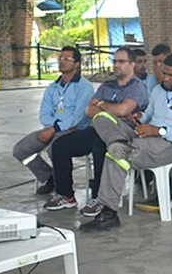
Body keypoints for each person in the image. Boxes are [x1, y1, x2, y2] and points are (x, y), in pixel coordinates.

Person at [81, 54, 172, 233]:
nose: (165, 78)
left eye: (171, 75)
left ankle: (109, 212)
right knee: (101, 117)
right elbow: (150, 113)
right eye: (163, 73)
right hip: (142, 138)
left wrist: (159, 131)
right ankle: (118, 142)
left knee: (117, 155)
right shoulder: (158, 91)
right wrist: (139, 117)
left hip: (169, 146)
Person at [44, 47, 149, 213]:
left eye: (121, 62)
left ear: (132, 65)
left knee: (100, 147)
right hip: (97, 129)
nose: (116, 65)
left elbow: (123, 110)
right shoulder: (107, 85)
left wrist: (102, 106)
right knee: (60, 145)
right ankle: (66, 195)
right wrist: (112, 110)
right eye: (115, 61)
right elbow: (89, 110)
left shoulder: (137, 87)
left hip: (120, 133)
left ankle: (99, 199)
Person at [11, 46, 94, 196]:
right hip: (53, 129)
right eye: (60, 59)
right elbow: (44, 115)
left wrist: (57, 128)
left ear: (77, 64)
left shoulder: (84, 87)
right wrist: (54, 128)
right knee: (21, 149)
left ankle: (64, 189)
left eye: (67, 59)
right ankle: (48, 177)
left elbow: (78, 116)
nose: (62, 62)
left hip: (76, 131)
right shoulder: (52, 87)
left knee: (54, 148)